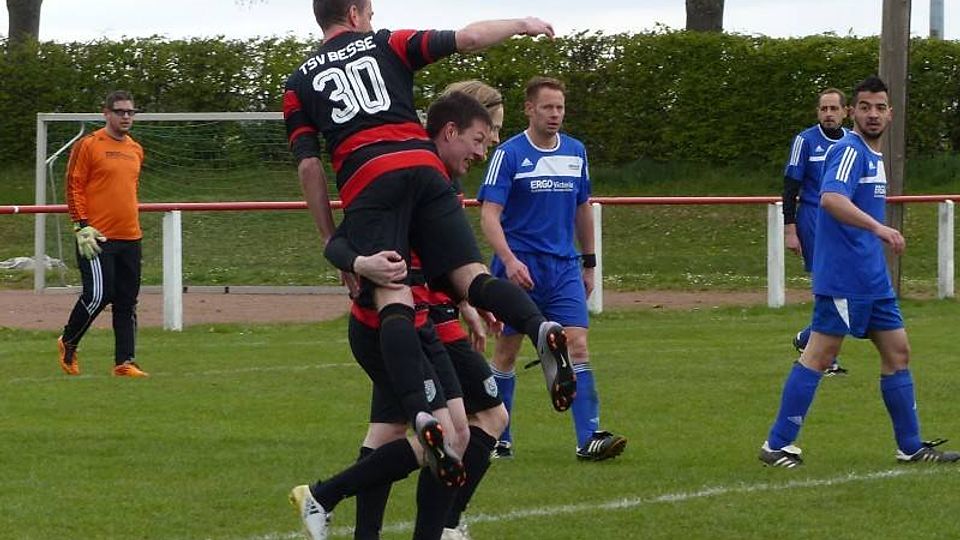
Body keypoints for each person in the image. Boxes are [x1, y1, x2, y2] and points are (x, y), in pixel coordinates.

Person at [284, 3, 571, 536]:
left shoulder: (298, 82)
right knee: (471, 279)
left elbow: (308, 165)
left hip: (368, 182)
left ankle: (394, 465)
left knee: (393, 299)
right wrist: (523, 25)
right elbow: (467, 38)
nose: (374, 17)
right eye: (370, 9)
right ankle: (538, 326)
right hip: (417, 170)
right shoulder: (387, 43)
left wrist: (335, 242)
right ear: (355, 12)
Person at [332, 90, 509, 540]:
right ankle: (331, 498)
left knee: (394, 429)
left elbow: (441, 255)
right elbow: (369, 242)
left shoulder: (443, 175)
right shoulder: (418, 173)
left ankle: (360, 517)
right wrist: (358, 263)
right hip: (413, 319)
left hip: (428, 315)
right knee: (455, 427)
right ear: (453, 130)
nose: (488, 146)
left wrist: (466, 302)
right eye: (486, 134)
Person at [759, 76, 959, 468]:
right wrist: (878, 228)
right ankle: (777, 444)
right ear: (853, 112)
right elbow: (832, 199)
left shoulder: (873, 156)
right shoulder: (849, 150)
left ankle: (910, 447)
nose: (873, 114)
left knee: (898, 353)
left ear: (890, 114)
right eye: (865, 107)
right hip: (846, 277)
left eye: (880, 108)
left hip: (872, 279)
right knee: (819, 355)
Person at [477, 76, 626, 462]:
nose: (555, 114)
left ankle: (589, 438)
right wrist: (509, 261)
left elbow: (582, 208)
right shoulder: (508, 154)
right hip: (518, 268)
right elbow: (489, 215)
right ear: (529, 109)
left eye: (560, 107)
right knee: (506, 352)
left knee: (578, 345)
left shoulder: (576, 151)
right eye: (547, 107)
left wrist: (589, 263)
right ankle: (498, 437)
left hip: (563, 269)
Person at [57, 90, 148, 378]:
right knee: (98, 295)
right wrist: (81, 225)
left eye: (130, 112)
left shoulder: (136, 149)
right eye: (120, 111)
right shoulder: (88, 145)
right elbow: (73, 185)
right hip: (96, 236)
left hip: (130, 236)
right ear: (106, 113)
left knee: (126, 300)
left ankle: (125, 362)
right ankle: (68, 341)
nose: (126, 116)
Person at [783, 88, 849, 376]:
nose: (829, 114)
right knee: (830, 287)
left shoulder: (853, 142)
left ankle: (808, 339)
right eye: (824, 109)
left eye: (834, 109)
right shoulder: (805, 141)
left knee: (847, 287)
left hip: (845, 221)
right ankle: (824, 356)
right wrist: (790, 229)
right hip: (814, 219)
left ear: (845, 111)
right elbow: (790, 187)